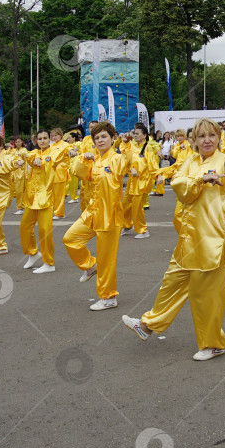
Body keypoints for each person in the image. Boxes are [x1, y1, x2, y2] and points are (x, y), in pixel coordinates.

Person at [121, 119, 225, 360]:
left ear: (219, 138)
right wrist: (201, 180)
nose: (207, 140)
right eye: (202, 136)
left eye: (212, 135)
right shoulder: (190, 161)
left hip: (214, 240)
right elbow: (180, 185)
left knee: (206, 295)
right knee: (172, 280)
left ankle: (213, 344)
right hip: (189, 236)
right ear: (195, 140)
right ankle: (148, 325)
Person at [63, 121, 132, 311]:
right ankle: (90, 265)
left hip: (110, 216)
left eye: (104, 136)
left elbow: (127, 163)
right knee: (70, 239)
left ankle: (109, 297)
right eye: (97, 138)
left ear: (112, 138)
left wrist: (126, 145)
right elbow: (79, 174)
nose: (100, 140)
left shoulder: (116, 159)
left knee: (107, 260)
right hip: (91, 213)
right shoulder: (94, 159)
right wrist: (82, 159)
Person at [19, 129, 55, 273]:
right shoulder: (35, 152)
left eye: (45, 138)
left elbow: (65, 151)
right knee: (24, 227)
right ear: (36, 141)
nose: (42, 141)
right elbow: (26, 155)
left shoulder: (54, 153)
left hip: (46, 197)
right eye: (39, 138)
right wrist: (31, 159)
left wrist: (73, 151)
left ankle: (49, 263)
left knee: (44, 230)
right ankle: (32, 253)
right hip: (32, 198)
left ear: (49, 139)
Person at [121, 123, 158, 239]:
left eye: (137, 134)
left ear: (144, 135)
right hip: (132, 180)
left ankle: (143, 230)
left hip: (141, 180)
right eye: (134, 133)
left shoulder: (148, 147)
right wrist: (125, 141)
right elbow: (125, 155)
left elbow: (151, 164)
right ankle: (127, 225)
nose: (135, 136)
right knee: (125, 204)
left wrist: (158, 176)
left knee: (137, 207)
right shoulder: (133, 146)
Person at [49, 128, 71, 219]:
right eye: (53, 136)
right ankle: (53, 211)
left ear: (61, 136)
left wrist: (72, 151)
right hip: (51, 173)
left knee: (59, 194)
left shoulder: (65, 145)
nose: (54, 137)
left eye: (56, 135)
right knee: (52, 194)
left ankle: (59, 213)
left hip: (60, 173)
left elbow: (70, 149)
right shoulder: (51, 146)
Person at [9, 136, 29, 215]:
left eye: (19, 142)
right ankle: (22, 206)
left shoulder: (23, 150)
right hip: (14, 174)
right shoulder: (13, 151)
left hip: (21, 174)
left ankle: (21, 207)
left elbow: (27, 156)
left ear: (22, 142)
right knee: (17, 192)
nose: (18, 143)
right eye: (16, 142)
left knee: (20, 192)